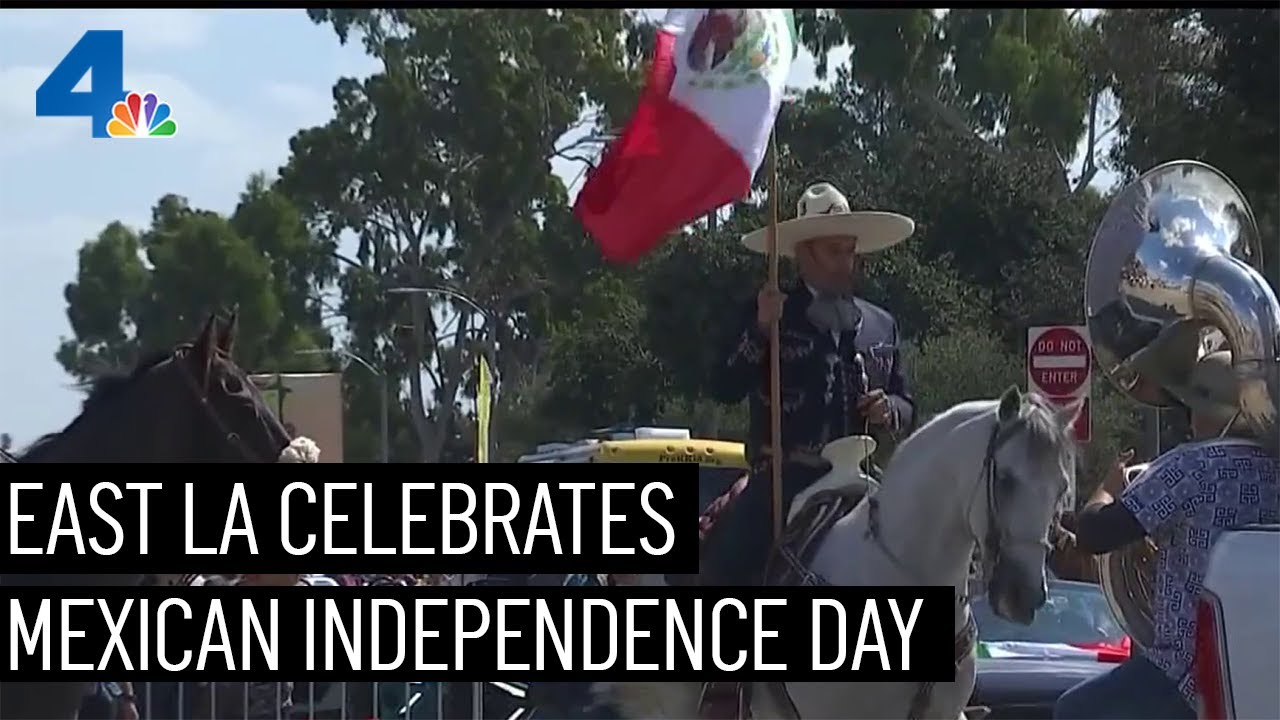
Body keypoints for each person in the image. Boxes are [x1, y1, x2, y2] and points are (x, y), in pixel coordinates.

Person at [702, 182, 917, 585]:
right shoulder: (770, 312)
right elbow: (725, 385)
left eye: (849, 251)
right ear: (805, 253)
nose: (845, 262)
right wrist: (761, 330)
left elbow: (907, 403)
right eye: (834, 252)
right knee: (724, 569)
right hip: (785, 479)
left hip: (863, 473)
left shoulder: (880, 324)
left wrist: (889, 408)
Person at [1054, 351, 1280, 719]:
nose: (1190, 418)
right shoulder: (1274, 470)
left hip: (1184, 673)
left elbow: (1094, 535)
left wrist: (1106, 490)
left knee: (1074, 711)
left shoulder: (1189, 466)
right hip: (1256, 671)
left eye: (1194, 407)